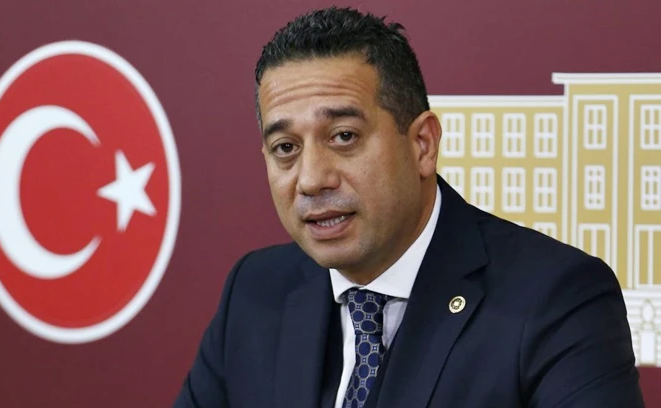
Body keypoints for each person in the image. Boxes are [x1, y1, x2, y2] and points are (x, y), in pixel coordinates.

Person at [173, 7, 644, 408]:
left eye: (344, 137)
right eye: (285, 148)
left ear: (422, 144)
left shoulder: (555, 299)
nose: (312, 179)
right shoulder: (254, 292)